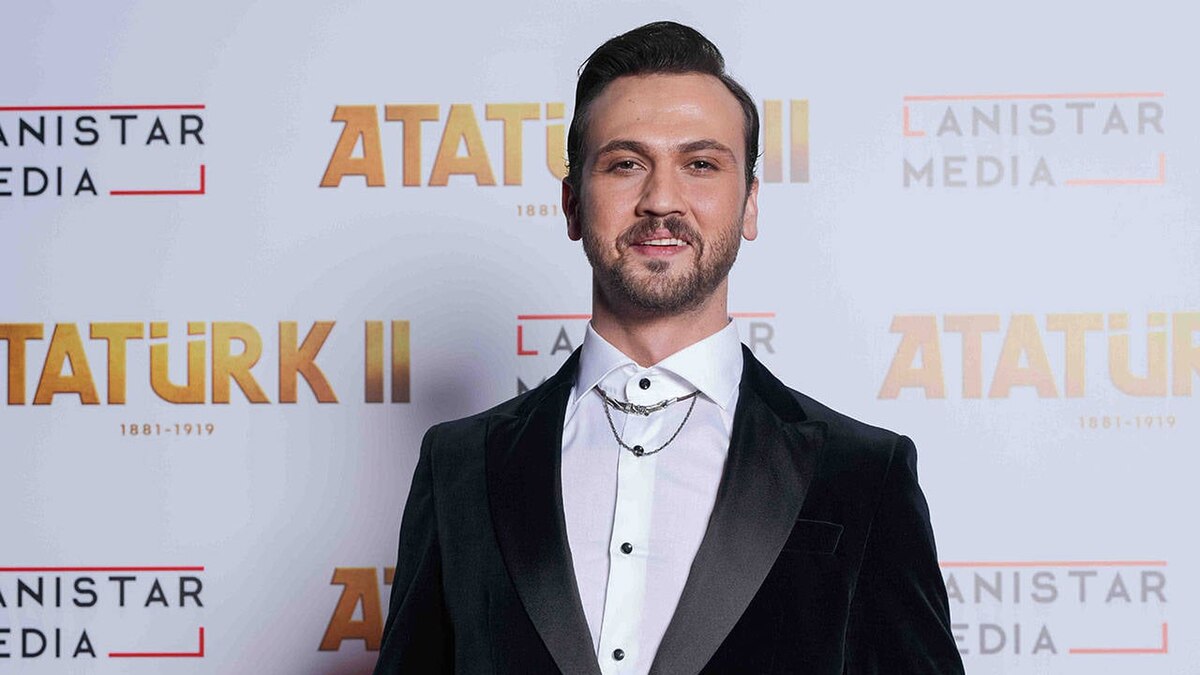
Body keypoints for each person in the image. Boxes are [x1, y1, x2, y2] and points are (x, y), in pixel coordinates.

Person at [374, 21, 964, 675]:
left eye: (701, 164)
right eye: (625, 164)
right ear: (572, 204)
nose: (660, 200)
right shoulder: (459, 466)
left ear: (750, 204)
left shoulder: (864, 474)